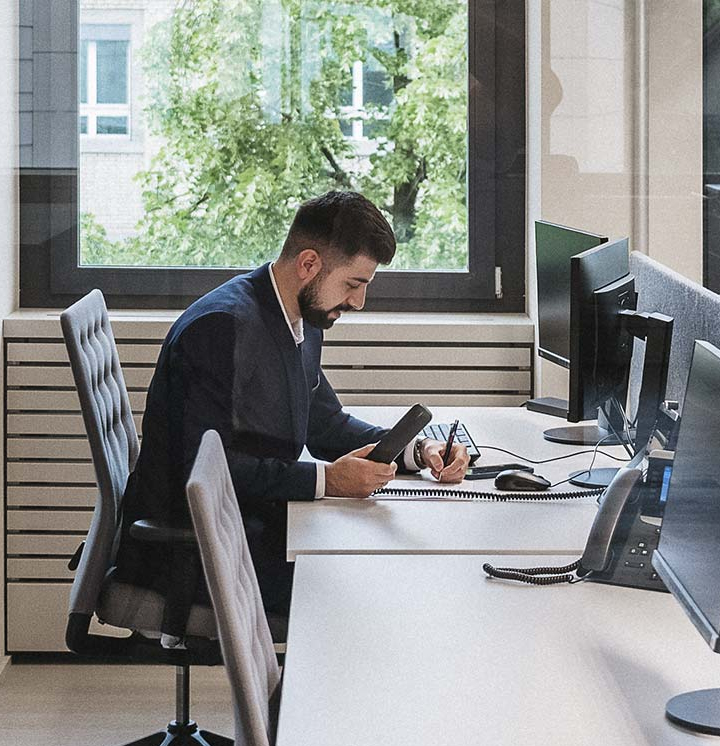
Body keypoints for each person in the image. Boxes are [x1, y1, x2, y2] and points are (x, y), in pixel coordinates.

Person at [113, 190, 469, 626]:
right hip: (198, 551)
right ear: (308, 265)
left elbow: (325, 423)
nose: (358, 302)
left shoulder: (299, 314)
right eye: (353, 284)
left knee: (391, 563)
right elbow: (205, 471)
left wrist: (417, 450)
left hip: (253, 525)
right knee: (380, 583)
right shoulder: (222, 328)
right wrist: (327, 480)